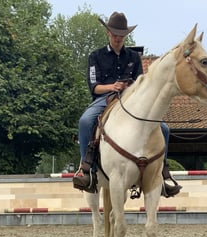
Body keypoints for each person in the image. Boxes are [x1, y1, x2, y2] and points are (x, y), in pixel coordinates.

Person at [73, 11, 182, 197]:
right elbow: (94, 87)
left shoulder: (133, 57)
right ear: (108, 33)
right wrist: (112, 86)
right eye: (115, 35)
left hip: (131, 100)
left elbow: (142, 83)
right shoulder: (95, 56)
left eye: (121, 36)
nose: (118, 39)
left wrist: (129, 86)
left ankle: (162, 172)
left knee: (163, 128)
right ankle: (87, 169)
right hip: (104, 99)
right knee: (85, 121)